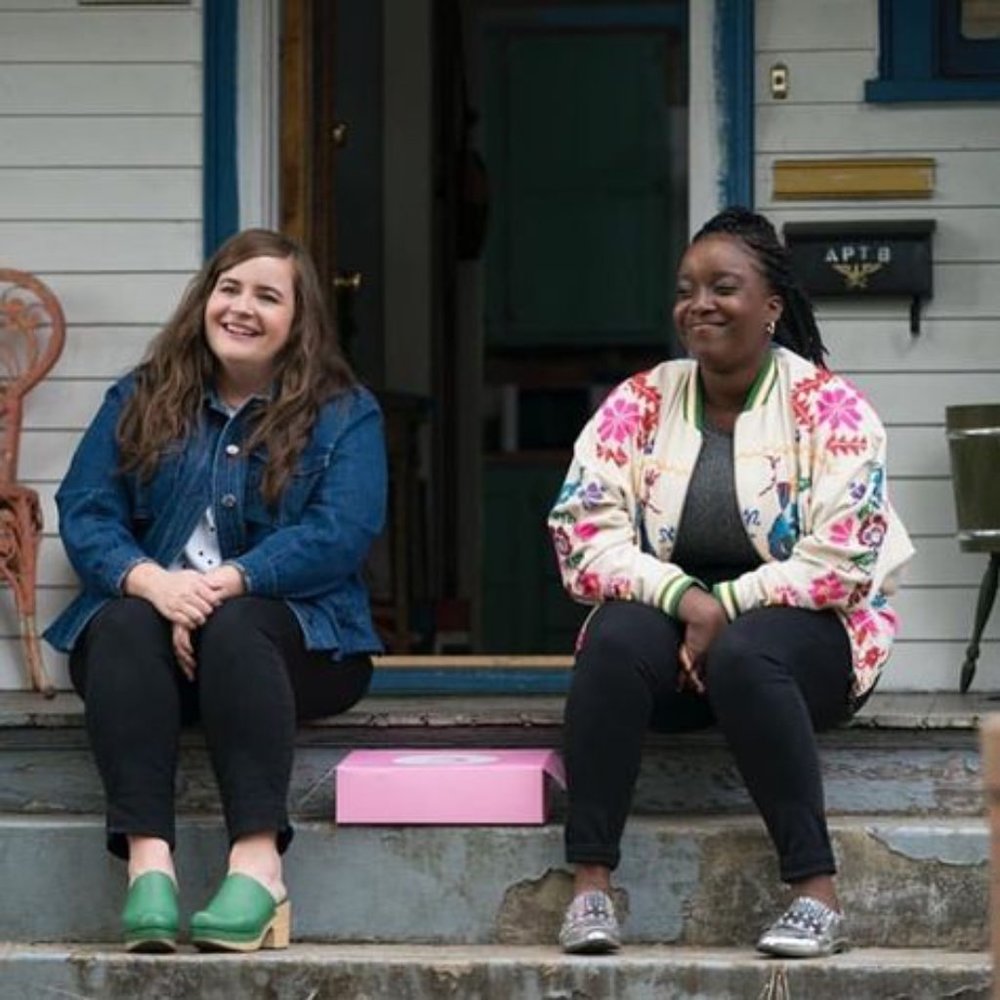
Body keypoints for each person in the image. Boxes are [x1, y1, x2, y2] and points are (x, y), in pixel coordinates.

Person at [548, 207, 914, 958]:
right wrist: (685, 600)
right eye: (687, 289)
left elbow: (845, 560)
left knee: (748, 653)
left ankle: (816, 892)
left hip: (809, 640)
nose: (699, 305)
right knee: (614, 638)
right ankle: (590, 886)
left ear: (771, 306)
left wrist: (726, 607)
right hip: (679, 638)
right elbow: (581, 535)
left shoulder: (830, 408)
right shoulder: (642, 401)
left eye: (723, 287)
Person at [44, 229, 387, 953]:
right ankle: (149, 868)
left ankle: (258, 870)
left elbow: (340, 532)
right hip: (155, 652)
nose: (241, 308)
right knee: (122, 623)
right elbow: (86, 508)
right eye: (229, 289)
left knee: (238, 625)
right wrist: (154, 585)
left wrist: (224, 584)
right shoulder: (142, 395)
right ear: (204, 299)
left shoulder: (343, 412)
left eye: (267, 296)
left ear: (298, 319)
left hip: (298, 647)